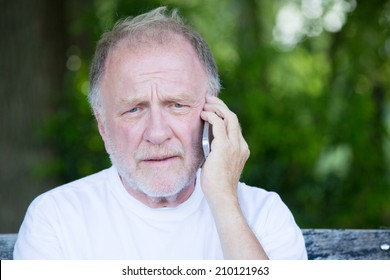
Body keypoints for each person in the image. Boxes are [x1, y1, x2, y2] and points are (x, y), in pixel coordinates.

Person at [14, 6, 307, 260]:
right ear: (103, 126)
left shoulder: (264, 214)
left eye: (177, 104)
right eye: (134, 109)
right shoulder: (55, 219)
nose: (157, 133)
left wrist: (223, 200)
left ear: (214, 112)